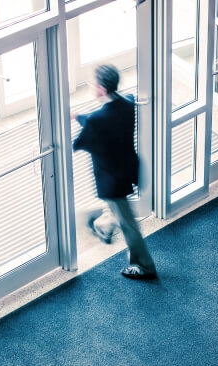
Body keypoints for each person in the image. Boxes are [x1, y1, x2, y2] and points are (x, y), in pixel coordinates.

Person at [72, 64, 156, 280]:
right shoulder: (127, 103)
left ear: (101, 89)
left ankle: (145, 266)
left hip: (111, 181)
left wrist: (82, 121)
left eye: (92, 84)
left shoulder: (96, 121)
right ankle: (105, 225)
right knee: (119, 211)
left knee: (128, 223)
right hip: (128, 169)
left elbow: (81, 142)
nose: (91, 87)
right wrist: (80, 117)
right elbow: (101, 120)